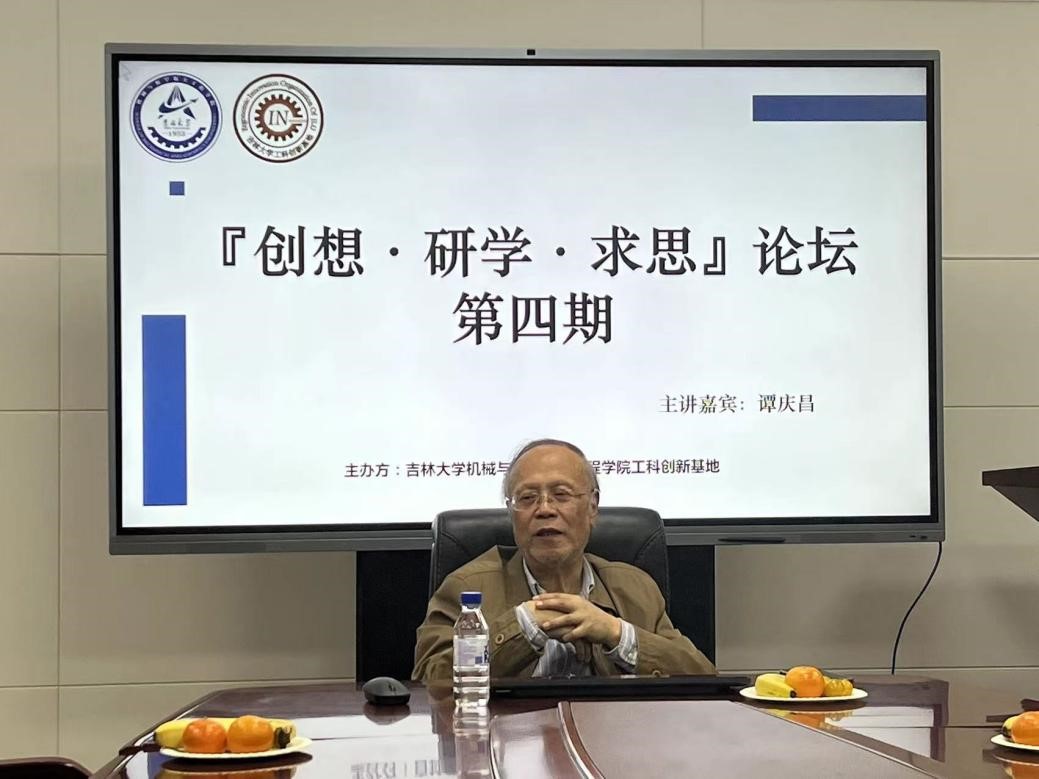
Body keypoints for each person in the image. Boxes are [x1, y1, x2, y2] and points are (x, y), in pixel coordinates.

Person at [413, 439, 715, 680]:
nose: (545, 509)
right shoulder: (467, 588)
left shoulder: (634, 587)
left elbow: (701, 678)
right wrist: (524, 627)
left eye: (561, 494)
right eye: (527, 498)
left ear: (593, 507)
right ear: (511, 513)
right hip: (505, 736)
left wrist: (615, 633)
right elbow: (429, 684)